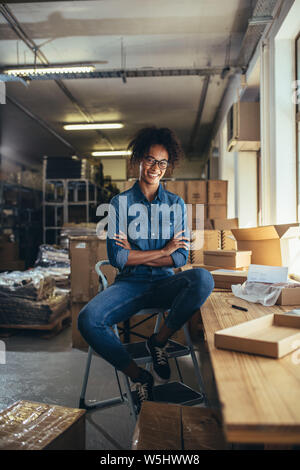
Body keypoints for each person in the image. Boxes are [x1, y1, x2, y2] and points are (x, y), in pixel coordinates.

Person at [78, 127, 214, 413]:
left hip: (165, 284)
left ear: (169, 166)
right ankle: (140, 378)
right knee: (88, 320)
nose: (156, 168)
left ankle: (159, 341)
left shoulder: (176, 205)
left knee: (203, 278)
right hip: (129, 286)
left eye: (162, 163)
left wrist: (138, 254)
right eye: (150, 160)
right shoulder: (119, 203)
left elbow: (179, 260)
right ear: (138, 160)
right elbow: (117, 258)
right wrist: (163, 251)